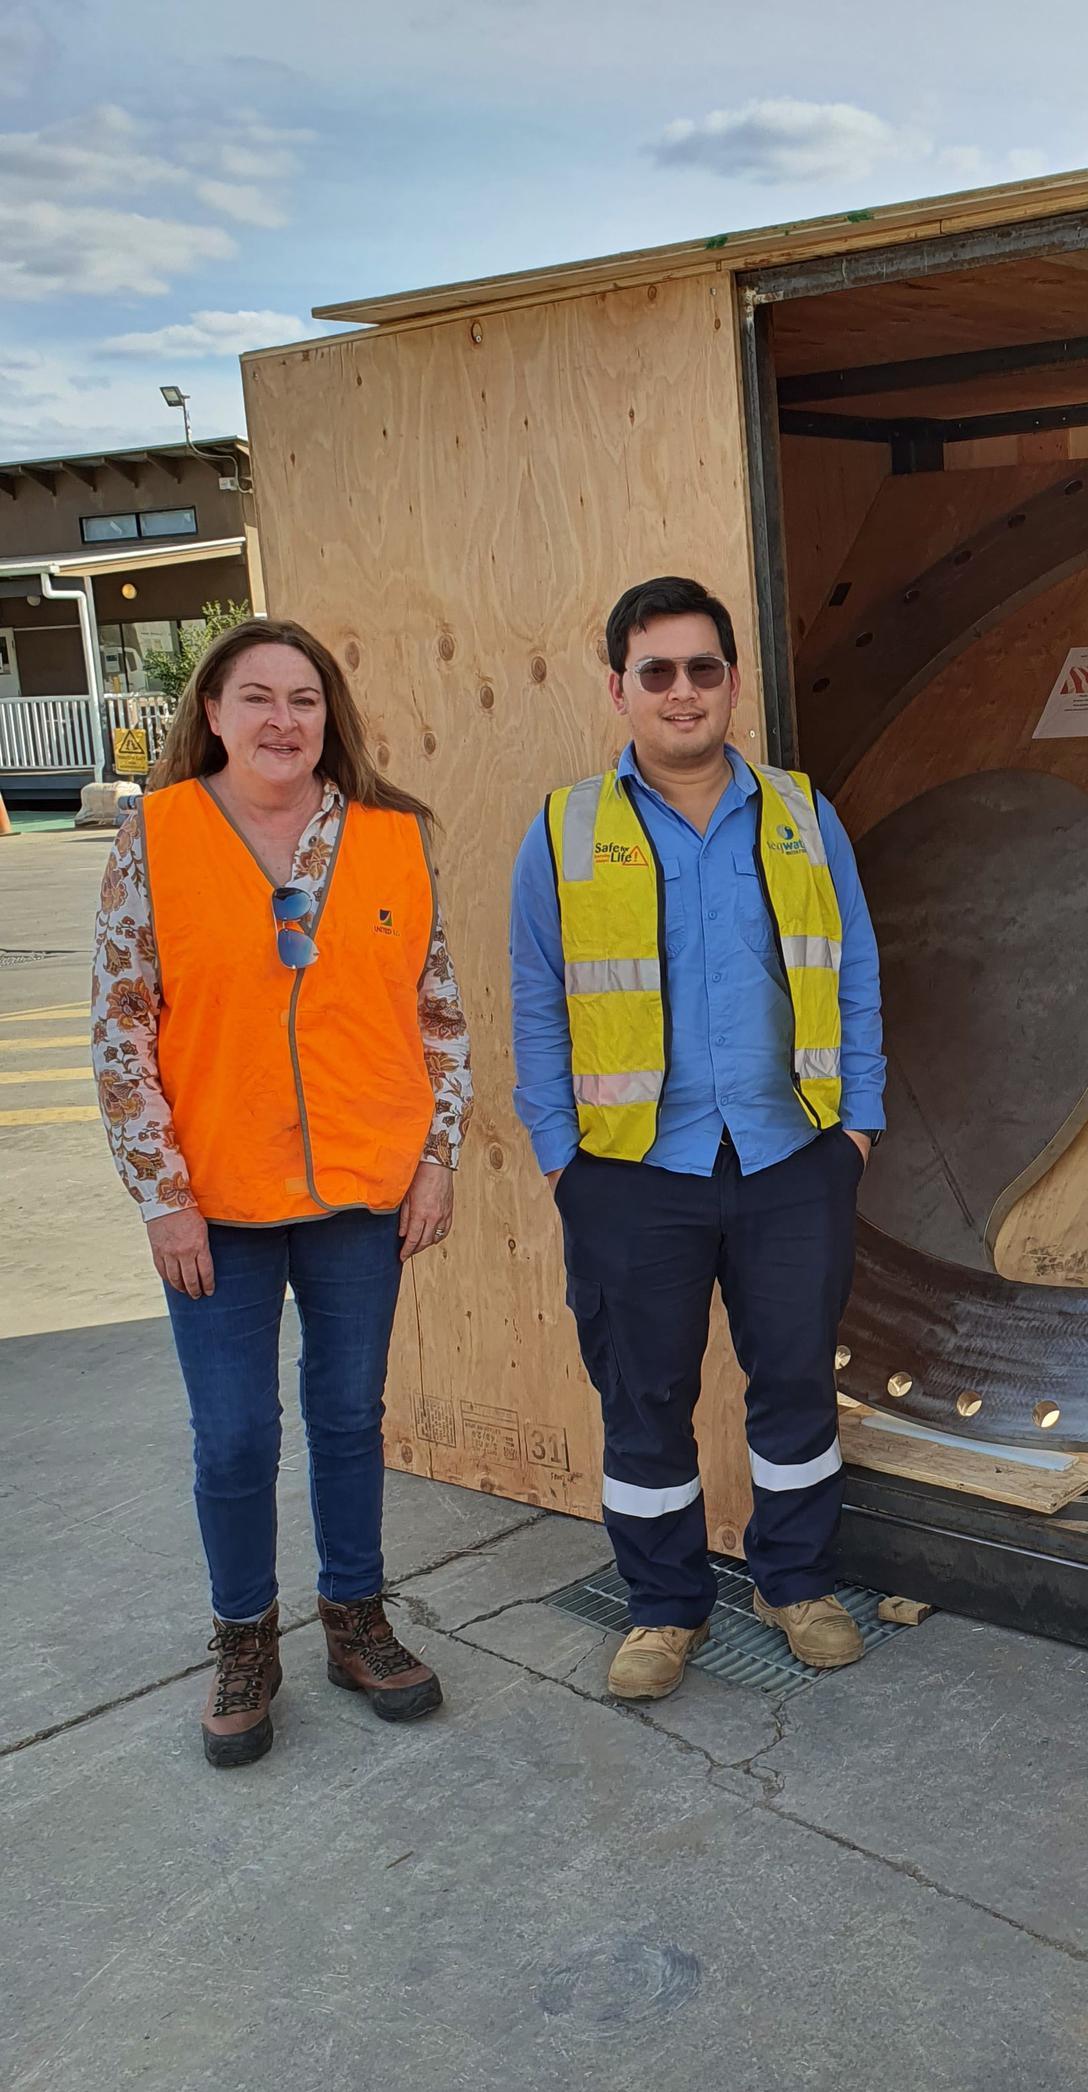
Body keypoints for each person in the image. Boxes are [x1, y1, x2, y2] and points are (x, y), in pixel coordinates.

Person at [92, 617, 471, 1768]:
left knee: (350, 1417)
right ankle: (244, 1640)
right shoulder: (156, 839)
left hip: (362, 1191)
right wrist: (161, 1193)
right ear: (211, 712)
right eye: (255, 696)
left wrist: (438, 1155)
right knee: (233, 1436)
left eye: (303, 699)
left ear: (328, 717)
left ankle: (355, 1620)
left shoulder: (392, 837)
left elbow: (437, 1012)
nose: (281, 719)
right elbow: (121, 1028)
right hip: (216, 1204)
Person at [510, 576, 885, 1702]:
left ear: (732, 683)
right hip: (632, 1173)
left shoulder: (803, 815)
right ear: (619, 687)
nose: (683, 691)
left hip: (791, 1157)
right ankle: (664, 1605)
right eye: (658, 671)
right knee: (644, 1398)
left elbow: (855, 970)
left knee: (794, 1386)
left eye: (703, 669)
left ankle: (796, 1582)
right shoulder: (567, 829)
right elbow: (537, 996)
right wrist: (561, 1157)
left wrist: (858, 1127)